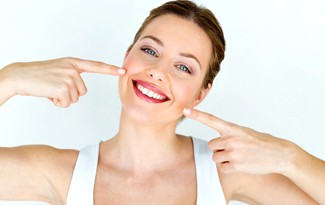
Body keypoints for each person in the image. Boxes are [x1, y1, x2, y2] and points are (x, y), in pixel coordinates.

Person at [0, 0, 324, 204]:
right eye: (150, 51)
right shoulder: (62, 173)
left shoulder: (224, 171)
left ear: (200, 93)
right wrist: (9, 79)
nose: (157, 72)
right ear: (127, 56)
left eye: (183, 67)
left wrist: (290, 157)